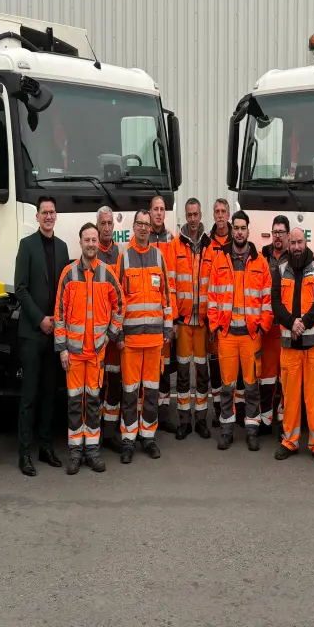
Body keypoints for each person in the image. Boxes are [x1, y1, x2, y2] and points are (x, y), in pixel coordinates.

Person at [55, 223, 125, 475]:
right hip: (73, 354)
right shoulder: (68, 274)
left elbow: (120, 305)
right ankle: (75, 452)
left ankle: (93, 452)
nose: (92, 244)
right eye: (87, 240)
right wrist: (62, 348)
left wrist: (110, 335)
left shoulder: (107, 273)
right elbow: (59, 314)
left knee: (93, 403)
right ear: (80, 242)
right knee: (75, 403)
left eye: (95, 240)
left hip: (96, 353)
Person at [207, 210, 272, 452]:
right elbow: (212, 296)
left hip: (250, 336)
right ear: (231, 230)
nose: (239, 232)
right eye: (236, 228)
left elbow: (267, 298)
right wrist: (215, 325)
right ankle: (226, 430)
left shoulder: (260, 262)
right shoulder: (220, 260)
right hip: (226, 335)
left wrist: (263, 327)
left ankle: (252, 429)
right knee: (227, 386)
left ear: (248, 230)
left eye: (243, 227)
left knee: (251, 385)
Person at [14, 196, 70, 476]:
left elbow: (65, 289)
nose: (49, 216)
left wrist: (57, 322)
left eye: (52, 212)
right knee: (30, 395)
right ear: (37, 217)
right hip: (33, 333)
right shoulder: (26, 246)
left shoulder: (62, 248)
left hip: (55, 332)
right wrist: (41, 320)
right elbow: (20, 289)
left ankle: (45, 446)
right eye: (44, 212)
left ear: (55, 216)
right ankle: (24, 452)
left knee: (50, 394)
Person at [115, 209, 174, 463]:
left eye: (146, 225)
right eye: (139, 224)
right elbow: (117, 300)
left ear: (151, 228)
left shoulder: (159, 257)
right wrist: (117, 332)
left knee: (150, 391)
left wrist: (168, 327)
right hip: (130, 340)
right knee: (129, 392)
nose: (142, 228)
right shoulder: (124, 258)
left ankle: (148, 437)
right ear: (133, 227)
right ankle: (128, 439)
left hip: (153, 341)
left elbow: (166, 296)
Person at [271, 228, 314, 466]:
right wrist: (290, 322)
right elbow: (275, 302)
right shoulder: (281, 269)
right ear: (288, 243)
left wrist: (302, 323)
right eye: (292, 242)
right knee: (291, 397)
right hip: (290, 347)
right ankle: (290, 441)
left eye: (299, 242)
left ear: (306, 243)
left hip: (313, 345)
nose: (296, 246)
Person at [172, 197, 213, 440]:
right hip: (184, 321)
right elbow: (171, 285)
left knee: (203, 372)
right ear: (185, 217)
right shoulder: (176, 245)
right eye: (189, 215)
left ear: (201, 215)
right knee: (184, 373)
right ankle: (184, 421)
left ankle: (201, 419)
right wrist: (175, 319)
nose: (193, 219)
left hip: (204, 322)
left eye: (196, 214)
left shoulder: (210, 246)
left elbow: (215, 284)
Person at [149, 195, 178, 434]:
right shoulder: (142, 238)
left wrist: (173, 319)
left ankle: (164, 413)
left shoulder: (172, 240)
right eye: (155, 209)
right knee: (147, 370)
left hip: (165, 315)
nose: (158, 213)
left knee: (165, 367)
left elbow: (173, 282)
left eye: (161, 209)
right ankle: (146, 414)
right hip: (146, 317)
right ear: (149, 213)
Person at [96, 205, 123, 452]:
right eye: (102, 223)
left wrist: (118, 331)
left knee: (114, 382)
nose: (106, 228)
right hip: (94, 334)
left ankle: (110, 433)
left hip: (113, 334)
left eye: (109, 224)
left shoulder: (120, 255)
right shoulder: (90, 254)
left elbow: (122, 297)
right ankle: (94, 432)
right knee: (96, 385)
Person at [260, 215, 290, 435]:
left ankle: (283, 422)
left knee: (286, 377)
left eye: (281, 232)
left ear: (288, 235)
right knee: (267, 376)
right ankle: (265, 420)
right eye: (275, 232)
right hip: (268, 327)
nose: (277, 236)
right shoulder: (262, 255)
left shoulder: (296, 258)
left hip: (286, 326)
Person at [207, 198, 233, 427]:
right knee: (216, 367)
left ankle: (237, 411)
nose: (220, 215)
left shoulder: (238, 242)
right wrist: (212, 322)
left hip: (235, 322)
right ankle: (219, 412)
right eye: (217, 211)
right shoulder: (207, 243)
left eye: (224, 211)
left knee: (237, 373)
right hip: (215, 319)